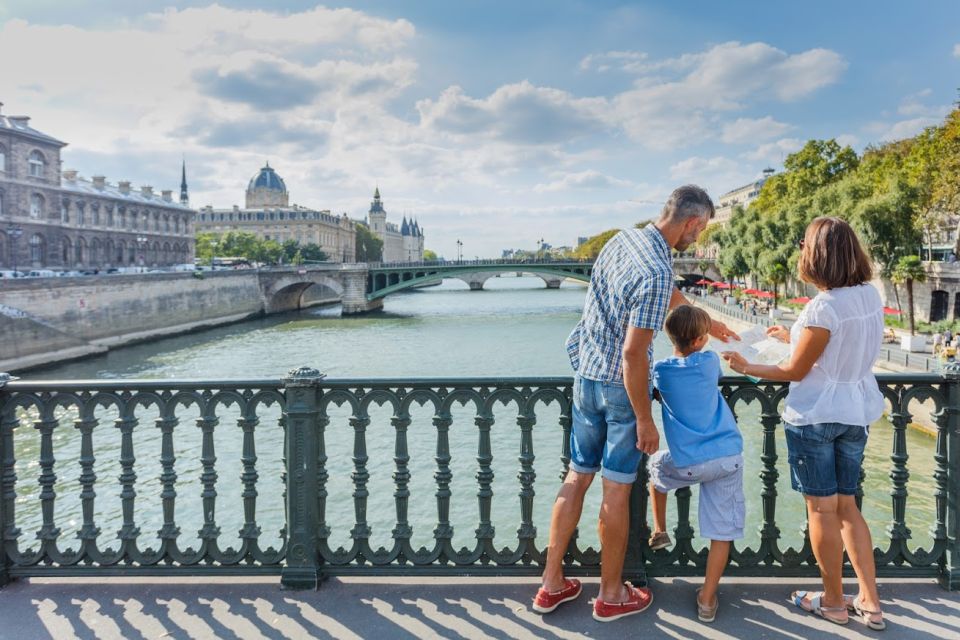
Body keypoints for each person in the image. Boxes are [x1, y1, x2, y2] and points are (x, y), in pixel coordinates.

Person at [533, 185, 739, 622]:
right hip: (619, 390)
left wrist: (710, 322)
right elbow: (632, 354)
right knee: (615, 488)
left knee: (576, 476)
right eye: (699, 231)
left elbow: (664, 299)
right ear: (691, 223)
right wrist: (646, 420)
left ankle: (551, 583)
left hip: (584, 376)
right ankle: (611, 594)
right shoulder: (658, 273)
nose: (698, 239)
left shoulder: (622, 240)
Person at [722, 217, 886, 630]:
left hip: (815, 417)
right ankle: (870, 601)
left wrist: (748, 365)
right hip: (855, 413)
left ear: (816, 255)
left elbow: (796, 371)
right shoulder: (868, 296)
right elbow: (833, 350)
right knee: (849, 508)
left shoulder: (823, 307)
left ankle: (832, 601)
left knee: (821, 511)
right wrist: (790, 336)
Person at [648, 305, 744, 623]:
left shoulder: (661, 370)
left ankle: (660, 529)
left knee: (655, 466)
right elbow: (714, 370)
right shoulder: (709, 361)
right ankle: (706, 599)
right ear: (702, 339)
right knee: (721, 531)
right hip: (727, 457)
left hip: (689, 463)